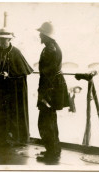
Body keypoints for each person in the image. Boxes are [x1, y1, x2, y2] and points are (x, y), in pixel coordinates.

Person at [36, 22, 69, 161]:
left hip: (49, 89)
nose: (39, 35)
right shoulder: (52, 47)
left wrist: (44, 95)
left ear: (45, 35)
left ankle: (52, 152)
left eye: (41, 33)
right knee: (50, 120)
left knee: (46, 121)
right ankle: (53, 149)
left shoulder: (50, 49)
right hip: (52, 87)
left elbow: (47, 73)